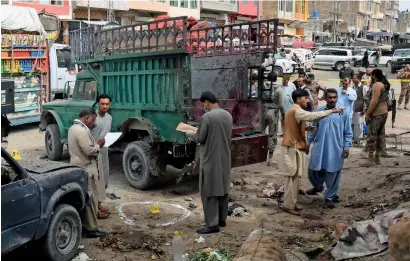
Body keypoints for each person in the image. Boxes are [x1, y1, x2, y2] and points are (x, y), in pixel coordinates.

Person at [279, 89, 344, 216]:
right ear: (298, 99)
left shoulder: (296, 111)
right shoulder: (296, 110)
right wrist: (332, 111)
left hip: (296, 148)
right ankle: (288, 205)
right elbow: (312, 116)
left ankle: (292, 203)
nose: (307, 100)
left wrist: (307, 128)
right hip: (291, 148)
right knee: (291, 178)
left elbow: (296, 124)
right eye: (305, 98)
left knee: (296, 178)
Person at [192, 91, 233, 234]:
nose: (204, 106)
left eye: (204, 104)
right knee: (222, 188)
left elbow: (200, 138)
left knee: (209, 191)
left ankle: (212, 224)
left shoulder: (207, 117)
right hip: (225, 158)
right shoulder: (227, 115)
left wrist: (193, 133)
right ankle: (222, 220)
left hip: (210, 158)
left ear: (207, 103)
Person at [306, 89, 352, 209]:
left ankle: (330, 196)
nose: (332, 100)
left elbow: (348, 132)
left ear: (337, 98)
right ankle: (318, 186)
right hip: (319, 146)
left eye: (334, 97)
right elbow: (313, 129)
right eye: (330, 97)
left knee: (333, 172)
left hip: (336, 148)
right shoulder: (319, 111)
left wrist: (346, 147)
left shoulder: (343, 112)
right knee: (313, 169)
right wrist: (307, 142)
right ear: (325, 98)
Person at [68, 108, 106, 238]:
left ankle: (86, 225)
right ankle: (91, 228)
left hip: (78, 166)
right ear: (86, 118)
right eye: (92, 120)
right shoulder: (81, 130)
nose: (93, 123)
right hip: (86, 168)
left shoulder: (73, 128)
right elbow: (89, 151)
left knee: (85, 199)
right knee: (90, 199)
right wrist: (99, 145)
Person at [360, 69, 391, 167]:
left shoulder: (377, 85)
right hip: (384, 113)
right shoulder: (384, 84)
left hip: (377, 114)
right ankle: (377, 158)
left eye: (370, 75)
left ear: (373, 75)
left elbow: (374, 101)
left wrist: (368, 114)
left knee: (371, 136)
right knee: (379, 135)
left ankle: (370, 158)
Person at [91, 94, 112, 216]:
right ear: (98, 104)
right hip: (93, 151)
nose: (105, 106)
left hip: (104, 151)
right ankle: (95, 209)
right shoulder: (93, 118)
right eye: (102, 104)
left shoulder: (109, 118)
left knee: (104, 178)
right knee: (95, 180)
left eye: (107, 104)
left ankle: (98, 204)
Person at [262, 72, 284, 166]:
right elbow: (281, 105)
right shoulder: (279, 89)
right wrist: (283, 114)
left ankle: (260, 156)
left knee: (260, 133)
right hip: (273, 112)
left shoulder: (263, 86)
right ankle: (270, 159)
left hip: (262, 111)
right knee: (272, 135)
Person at [351, 74, 369, 145]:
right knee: (353, 124)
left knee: (359, 125)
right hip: (353, 109)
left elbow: (366, 99)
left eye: (354, 78)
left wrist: (365, 109)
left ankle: (359, 140)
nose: (353, 79)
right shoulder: (353, 87)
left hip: (360, 109)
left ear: (358, 79)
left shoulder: (364, 87)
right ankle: (354, 139)